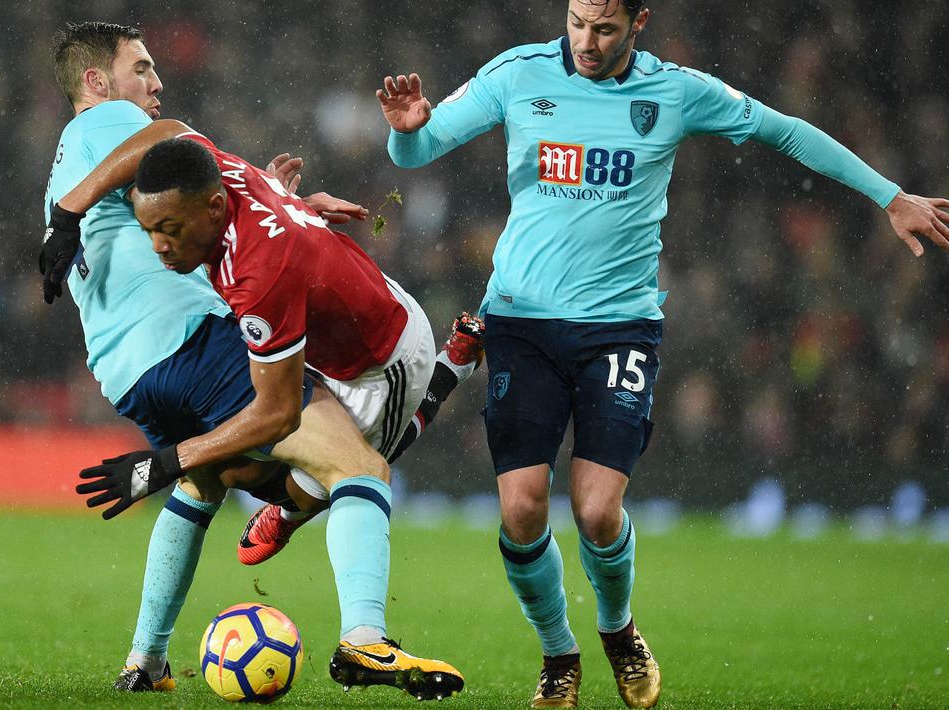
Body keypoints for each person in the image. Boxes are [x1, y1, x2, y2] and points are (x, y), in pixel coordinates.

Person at [376, 0, 949, 707]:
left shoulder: (674, 92)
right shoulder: (517, 74)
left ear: (637, 22)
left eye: (605, 28)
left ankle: (616, 630)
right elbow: (418, 146)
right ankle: (558, 654)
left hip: (618, 329)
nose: (586, 41)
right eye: (577, 22)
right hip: (521, 321)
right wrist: (404, 134)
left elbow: (786, 132)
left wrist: (888, 196)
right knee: (522, 510)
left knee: (594, 511)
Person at [43, 22, 471, 699]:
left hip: (129, 376)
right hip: (193, 339)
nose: (154, 85)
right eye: (140, 69)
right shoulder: (114, 125)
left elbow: (208, 195)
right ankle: (365, 639)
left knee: (211, 482)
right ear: (97, 83)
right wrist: (67, 216)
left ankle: (146, 658)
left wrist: (284, 205)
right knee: (355, 468)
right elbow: (170, 137)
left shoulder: (72, 161)